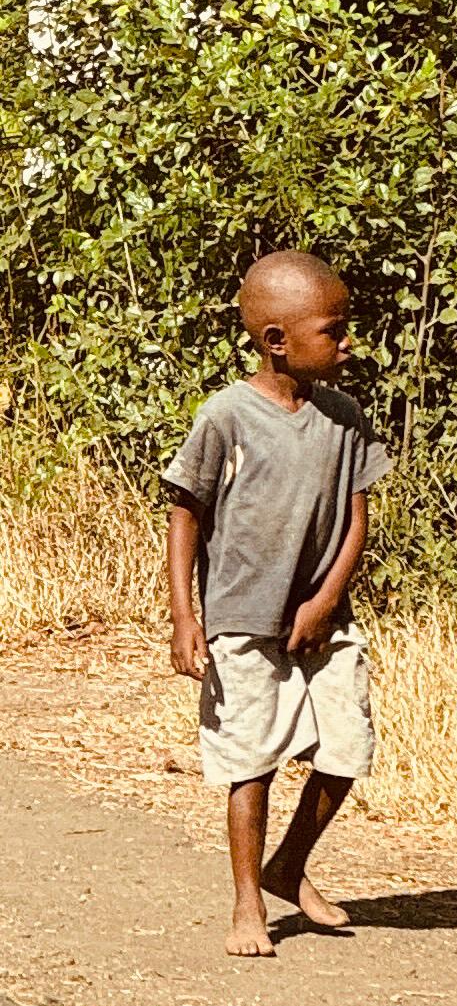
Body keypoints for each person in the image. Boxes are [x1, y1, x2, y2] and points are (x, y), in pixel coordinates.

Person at [164, 251, 389, 957]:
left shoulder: (344, 416)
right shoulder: (226, 415)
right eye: (334, 329)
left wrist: (325, 600)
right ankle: (247, 901)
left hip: (324, 620)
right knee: (250, 761)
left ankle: (289, 863)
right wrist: (183, 613)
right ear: (276, 339)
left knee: (348, 747)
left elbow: (356, 519)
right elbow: (185, 512)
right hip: (241, 618)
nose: (349, 342)